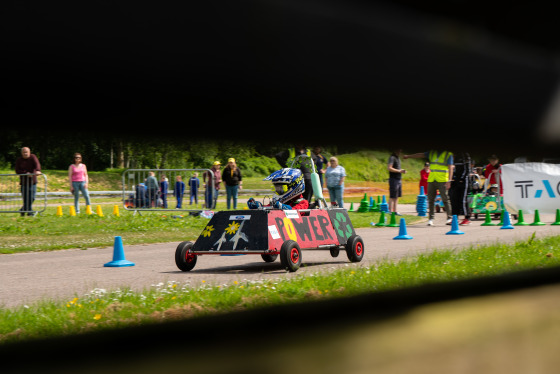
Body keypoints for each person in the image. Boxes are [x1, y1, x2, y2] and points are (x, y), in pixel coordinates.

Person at [404, 150, 454, 226]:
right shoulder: (432, 153)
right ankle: (431, 219)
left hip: (443, 180)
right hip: (432, 179)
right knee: (430, 200)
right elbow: (421, 154)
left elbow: (451, 168)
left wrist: (449, 181)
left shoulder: (448, 154)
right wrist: (409, 156)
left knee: (445, 199)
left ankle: (449, 218)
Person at [15, 147, 41, 216]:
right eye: (24, 152)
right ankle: (29, 213)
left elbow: (37, 165)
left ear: (29, 152)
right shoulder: (19, 160)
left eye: (26, 152)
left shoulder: (33, 157)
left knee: (32, 198)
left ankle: (22, 210)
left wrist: (37, 170)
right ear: (21, 153)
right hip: (23, 182)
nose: (25, 153)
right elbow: (17, 170)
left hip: (33, 182)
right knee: (26, 199)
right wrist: (26, 173)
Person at [449, 151, 473, 225]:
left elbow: (467, 170)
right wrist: (454, 178)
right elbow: (454, 169)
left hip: (464, 181)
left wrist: (461, 179)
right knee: (454, 199)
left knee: (463, 199)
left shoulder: (465, 155)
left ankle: (467, 218)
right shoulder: (454, 156)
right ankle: (455, 218)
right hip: (456, 180)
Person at [387, 149, 406, 215]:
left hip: (398, 179)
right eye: (398, 150)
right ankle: (389, 211)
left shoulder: (398, 158)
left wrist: (401, 170)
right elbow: (389, 168)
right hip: (393, 179)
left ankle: (395, 211)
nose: (399, 152)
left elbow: (397, 169)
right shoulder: (392, 157)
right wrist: (399, 171)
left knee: (397, 196)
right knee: (392, 196)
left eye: (400, 150)